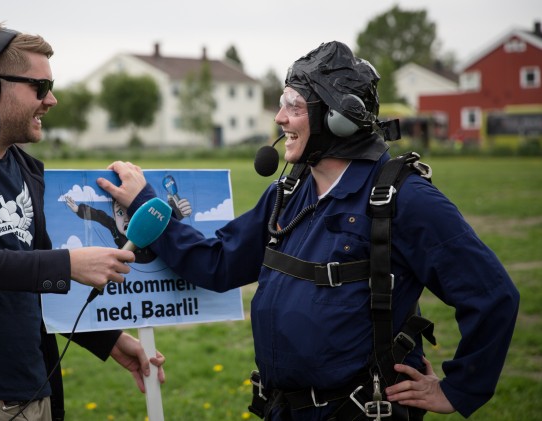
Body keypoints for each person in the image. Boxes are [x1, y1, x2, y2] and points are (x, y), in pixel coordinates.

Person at [98, 41, 519, 420]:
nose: (279, 117)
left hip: (360, 412)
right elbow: (218, 264)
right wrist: (147, 205)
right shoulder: (288, 190)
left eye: (295, 105)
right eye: (283, 103)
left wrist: (459, 389)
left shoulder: (404, 198)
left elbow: (493, 294)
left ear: (337, 118)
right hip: (282, 409)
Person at [0, 23, 165, 421]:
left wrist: (109, 340)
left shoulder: (28, 170)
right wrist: (68, 265)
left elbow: (33, 280)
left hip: (35, 399)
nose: (52, 100)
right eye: (40, 87)